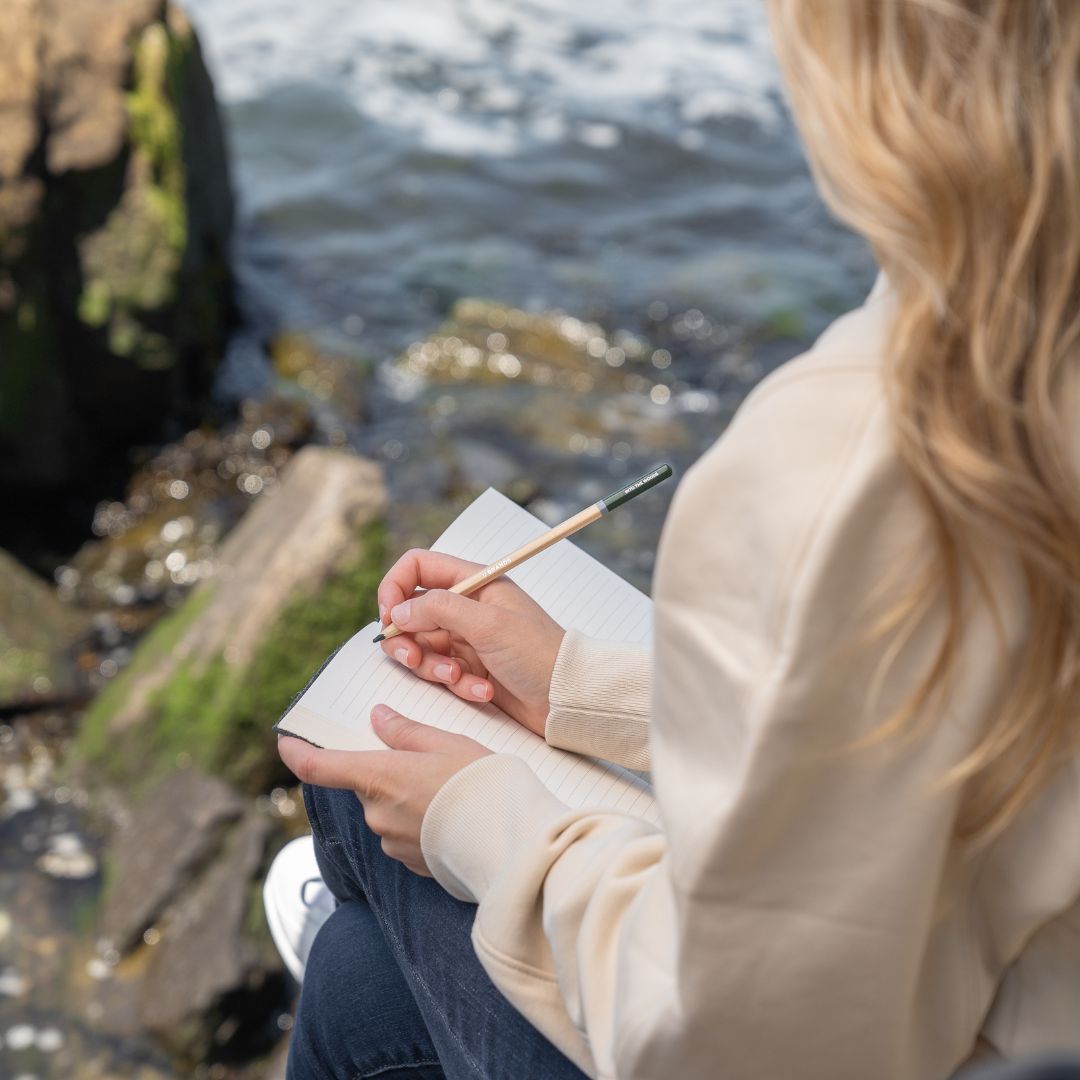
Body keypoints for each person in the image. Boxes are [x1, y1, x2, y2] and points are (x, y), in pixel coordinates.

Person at [273, 1, 1080, 1077]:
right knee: (361, 984)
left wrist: (485, 824)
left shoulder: (863, 449)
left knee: (358, 831)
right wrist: (583, 689)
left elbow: (735, 1042)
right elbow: (937, 727)